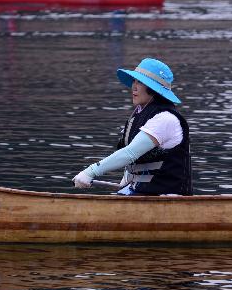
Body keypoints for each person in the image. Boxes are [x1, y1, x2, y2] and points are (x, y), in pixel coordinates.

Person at [73, 58, 192, 196]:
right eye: (134, 81)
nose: (134, 87)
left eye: (140, 82)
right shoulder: (139, 115)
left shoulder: (165, 119)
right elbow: (133, 158)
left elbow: (130, 153)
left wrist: (91, 171)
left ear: (153, 89)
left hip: (168, 198)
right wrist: (127, 179)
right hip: (141, 193)